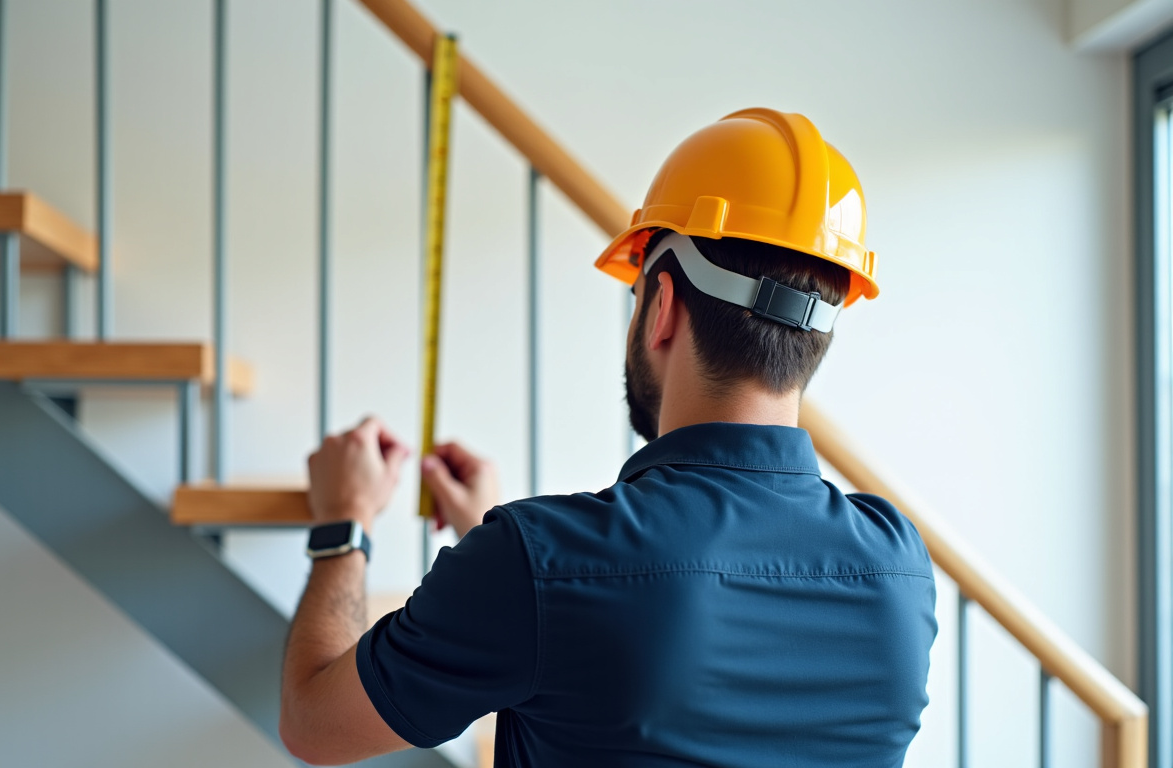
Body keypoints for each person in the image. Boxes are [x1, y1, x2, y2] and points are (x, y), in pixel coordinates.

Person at [279, 108, 937, 767]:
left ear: (662, 307)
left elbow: (313, 724)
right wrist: (499, 545)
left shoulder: (536, 563)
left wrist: (346, 522)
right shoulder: (900, 570)